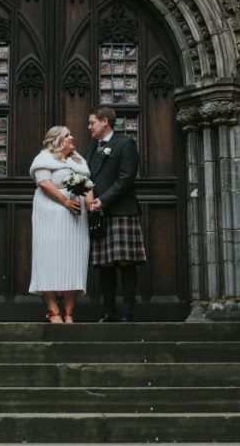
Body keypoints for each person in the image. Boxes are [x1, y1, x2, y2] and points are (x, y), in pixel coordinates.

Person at [85, 105, 146, 322]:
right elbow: (87, 178)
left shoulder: (125, 143)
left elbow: (126, 178)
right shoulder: (92, 149)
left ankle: (128, 314)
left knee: (126, 262)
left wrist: (103, 200)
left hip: (121, 210)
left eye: (92, 122)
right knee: (105, 265)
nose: (89, 126)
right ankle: (110, 312)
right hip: (99, 214)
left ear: (105, 122)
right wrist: (89, 197)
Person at [28, 125, 92, 323]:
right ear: (56, 139)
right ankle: (54, 311)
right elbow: (44, 182)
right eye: (67, 135)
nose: (72, 137)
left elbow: (87, 183)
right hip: (50, 214)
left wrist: (90, 201)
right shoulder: (44, 157)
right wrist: (64, 201)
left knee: (73, 261)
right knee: (49, 259)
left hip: (75, 218)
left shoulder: (77, 160)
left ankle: (69, 312)